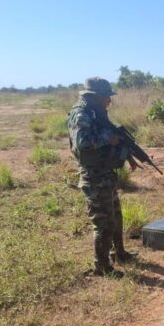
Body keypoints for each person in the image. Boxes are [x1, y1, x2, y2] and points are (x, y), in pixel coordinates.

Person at [67, 77, 139, 277]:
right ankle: (102, 266)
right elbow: (82, 142)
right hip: (94, 177)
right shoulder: (81, 114)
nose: (109, 100)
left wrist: (128, 156)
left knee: (116, 217)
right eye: (107, 96)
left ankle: (120, 254)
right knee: (103, 224)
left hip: (106, 175)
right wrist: (108, 138)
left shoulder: (96, 112)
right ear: (96, 96)